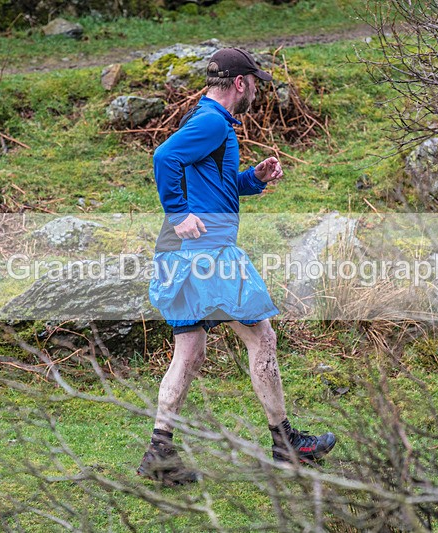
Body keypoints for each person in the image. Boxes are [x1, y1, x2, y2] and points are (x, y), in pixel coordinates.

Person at [138, 47, 336, 486]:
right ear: (241, 84)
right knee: (262, 337)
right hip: (203, 251)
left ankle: (159, 451)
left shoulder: (212, 122)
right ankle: (286, 445)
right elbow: (163, 159)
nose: (256, 94)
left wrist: (253, 179)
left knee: (189, 353)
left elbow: (211, 183)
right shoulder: (210, 121)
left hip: (177, 251)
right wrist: (177, 212)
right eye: (255, 85)